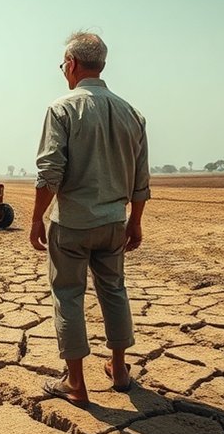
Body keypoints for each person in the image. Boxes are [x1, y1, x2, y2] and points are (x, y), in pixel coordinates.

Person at [31, 31, 150, 407]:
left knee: (68, 295)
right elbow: (141, 180)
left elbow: (50, 173)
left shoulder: (62, 109)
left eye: (62, 65)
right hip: (115, 221)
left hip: (72, 223)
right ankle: (119, 370)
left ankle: (75, 383)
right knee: (113, 290)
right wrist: (135, 221)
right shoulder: (132, 113)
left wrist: (37, 219)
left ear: (72, 64)